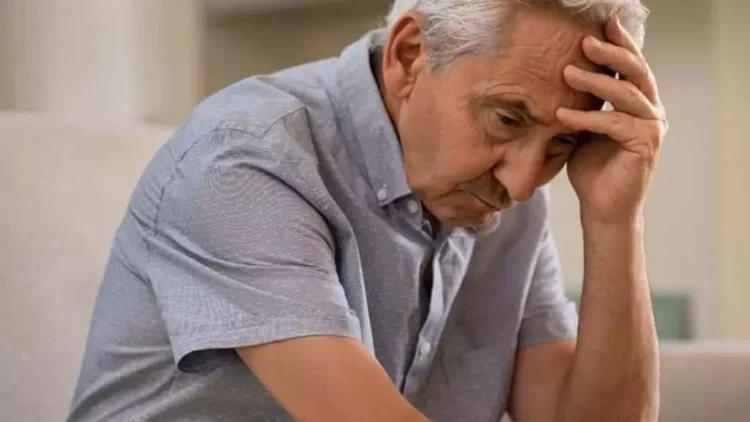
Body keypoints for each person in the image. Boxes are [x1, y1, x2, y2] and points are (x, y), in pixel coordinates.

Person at [68, 0, 667, 420]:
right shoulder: (247, 157)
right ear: (410, 55)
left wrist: (615, 219)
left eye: (562, 144)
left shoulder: (505, 198)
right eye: (507, 119)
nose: (524, 182)